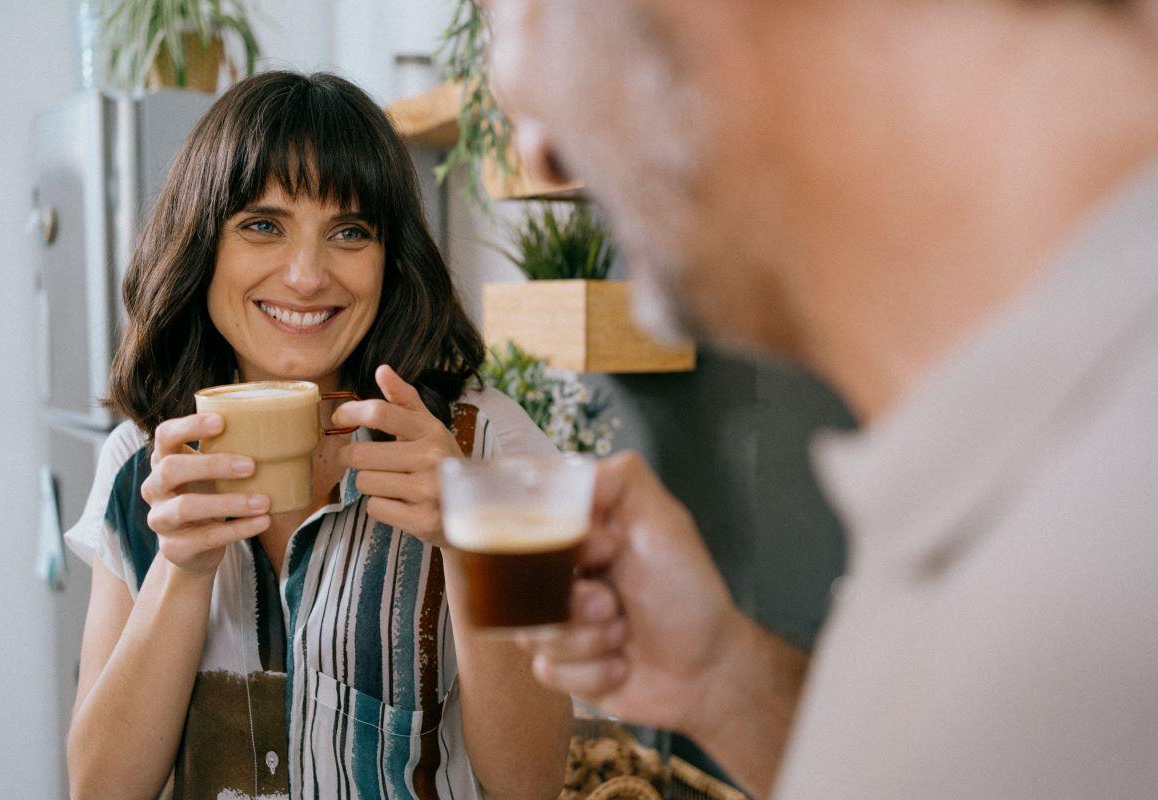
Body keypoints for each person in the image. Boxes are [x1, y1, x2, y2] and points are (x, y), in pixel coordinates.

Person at [490, 1, 1158, 798]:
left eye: (532, 13)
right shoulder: (1020, 462)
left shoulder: (1119, 549)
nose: (539, 152)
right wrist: (728, 683)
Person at [63, 71, 570, 800]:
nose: (306, 276)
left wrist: (468, 544)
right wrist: (183, 569)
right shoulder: (142, 465)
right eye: (262, 225)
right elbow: (101, 789)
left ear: (390, 259)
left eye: (350, 232)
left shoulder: (488, 447)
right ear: (203, 244)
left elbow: (531, 785)